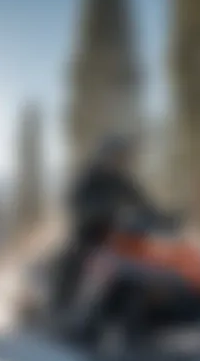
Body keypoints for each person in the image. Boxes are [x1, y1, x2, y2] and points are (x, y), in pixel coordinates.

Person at [53, 134, 168, 313]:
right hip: (91, 234)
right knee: (74, 257)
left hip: (120, 237)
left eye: (123, 157)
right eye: (116, 155)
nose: (120, 161)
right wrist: (95, 211)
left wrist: (163, 218)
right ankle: (61, 307)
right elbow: (75, 201)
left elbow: (143, 203)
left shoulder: (122, 181)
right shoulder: (89, 177)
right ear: (105, 154)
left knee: (150, 260)